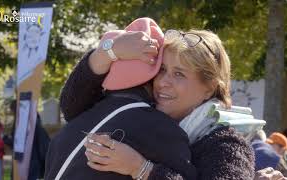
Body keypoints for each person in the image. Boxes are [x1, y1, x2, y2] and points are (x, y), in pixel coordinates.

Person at [59, 25, 255, 179]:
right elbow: (72, 106)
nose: (163, 82)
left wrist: (141, 168)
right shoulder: (142, 117)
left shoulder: (226, 144)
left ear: (209, 88)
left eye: (179, 74)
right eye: (161, 69)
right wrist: (107, 51)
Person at [45, 18, 196, 180]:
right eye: (163, 70)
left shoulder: (65, 133)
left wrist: (106, 52)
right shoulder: (164, 131)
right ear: (154, 74)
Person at [3, 100, 50, 180]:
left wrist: (6, 138)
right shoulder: (32, 120)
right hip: (31, 161)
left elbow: (18, 141)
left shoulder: (25, 122)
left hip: (28, 161)